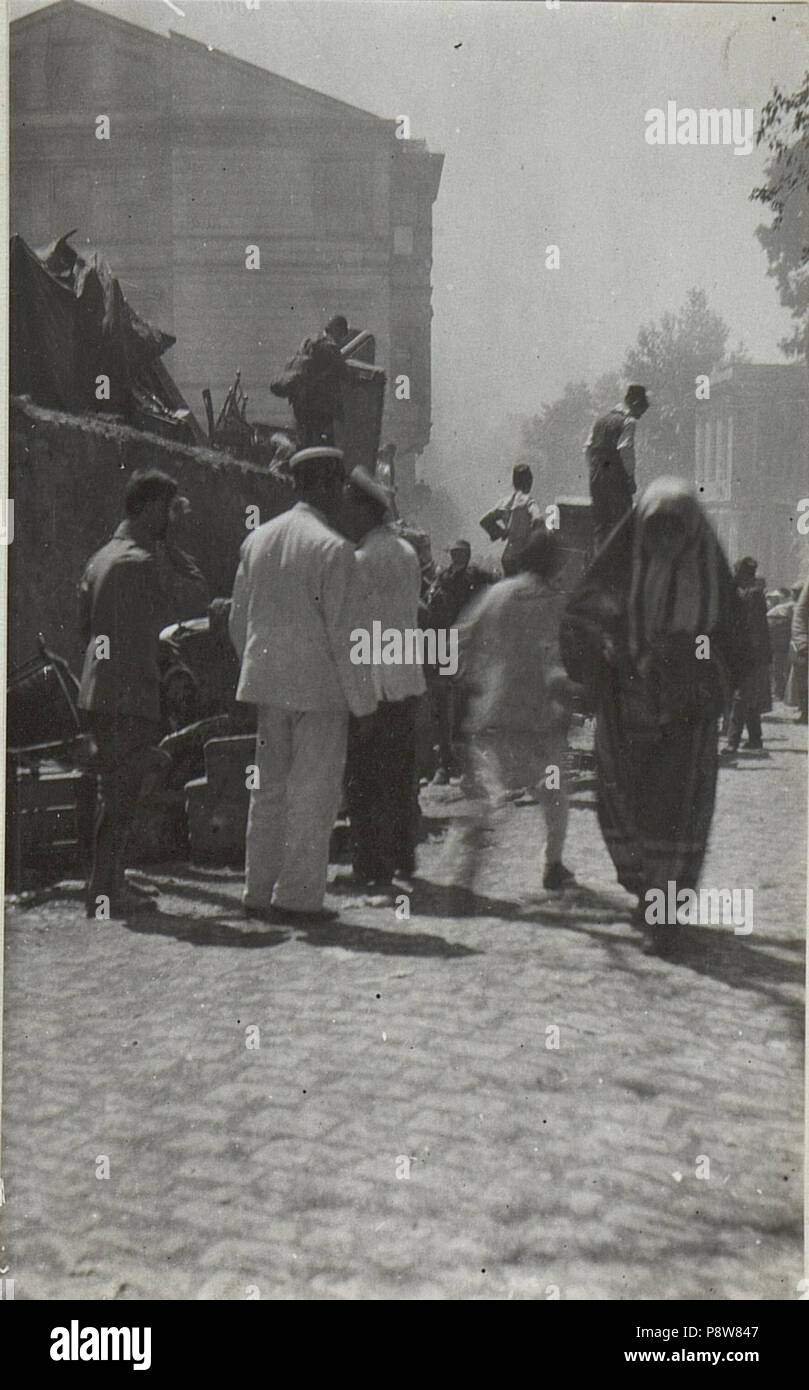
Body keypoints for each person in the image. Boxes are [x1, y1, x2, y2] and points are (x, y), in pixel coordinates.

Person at [560, 477, 750, 924]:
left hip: (685, 717)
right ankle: (645, 888)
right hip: (626, 710)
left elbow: (732, 645)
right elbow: (583, 617)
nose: (666, 539)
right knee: (626, 800)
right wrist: (611, 650)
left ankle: (663, 904)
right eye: (656, 528)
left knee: (677, 806)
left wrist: (692, 662)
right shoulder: (619, 568)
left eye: (675, 528)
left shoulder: (712, 582)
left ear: (691, 529)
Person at [228, 445, 376, 924]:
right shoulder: (333, 550)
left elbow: (237, 621)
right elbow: (346, 636)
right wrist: (363, 703)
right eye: (334, 485)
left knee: (267, 791)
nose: (338, 495)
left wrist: (259, 669)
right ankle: (297, 897)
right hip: (319, 693)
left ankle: (256, 891)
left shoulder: (259, 540)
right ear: (326, 486)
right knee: (312, 794)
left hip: (268, 688)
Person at [78, 468, 206, 917]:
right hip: (128, 693)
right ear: (151, 507)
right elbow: (191, 598)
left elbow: (90, 629)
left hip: (102, 689)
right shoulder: (140, 561)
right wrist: (173, 542)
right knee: (123, 794)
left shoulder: (101, 557)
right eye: (169, 508)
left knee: (114, 792)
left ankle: (107, 883)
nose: (173, 516)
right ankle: (107, 891)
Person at [452, 526, 575, 894]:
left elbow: (461, 637)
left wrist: (465, 678)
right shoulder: (554, 600)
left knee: (488, 798)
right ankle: (552, 864)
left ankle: (463, 874)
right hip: (540, 718)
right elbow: (560, 655)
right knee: (555, 797)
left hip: (495, 713)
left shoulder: (497, 593)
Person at [341, 467, 426, 885]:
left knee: (364, 778)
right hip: (406, 680)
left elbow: (355, 626)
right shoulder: (407, 554)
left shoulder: (359, 560)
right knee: (399, 776)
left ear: (365, 511)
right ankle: (403, 855)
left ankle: (371, 865)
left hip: (373, 683)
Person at [423, 539, 495, 782]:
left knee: (464, 705)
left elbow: (494, 587)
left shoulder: (476, 576)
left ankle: (465, 766)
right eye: (454, 553)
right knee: (443, 704)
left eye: (460, 553)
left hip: (467, 645)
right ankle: (446, 763)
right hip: (447, 644)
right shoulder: (443, 578)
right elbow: (433, 606)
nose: (456, 558)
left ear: (467, 554)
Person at [585, 384, 649, 550]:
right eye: (641, 409)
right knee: (622, 526)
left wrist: (594, 470)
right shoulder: (629, 421)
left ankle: (599, 566)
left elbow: (588, 448)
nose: (641, 415)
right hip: (616, 477)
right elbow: (625, 449)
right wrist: (630, 477)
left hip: (596, 476)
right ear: (635, 403)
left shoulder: (600, 420)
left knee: (600, 525)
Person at [271, 314, 352, 447]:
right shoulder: (329, 346)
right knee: (326, 440)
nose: (341, 339)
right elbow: (344, 372)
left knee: (303, 438)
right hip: (315, 404)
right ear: (337, 330)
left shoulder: (308, 340)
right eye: (342, 335)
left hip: (298, 398)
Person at [724, 557, 771, 753]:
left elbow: (752, 630)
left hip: (750, 655)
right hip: (755, 654)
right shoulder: (754, 594)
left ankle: (732, 742)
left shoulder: (751, 596)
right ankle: (755, 739)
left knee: (741, 697)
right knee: (749, 697)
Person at [479, 464, 543, 575]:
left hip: (508, 554)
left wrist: (502, 532)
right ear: (530, 481)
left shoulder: (504, 502)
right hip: (525, 555)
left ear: (514, 483)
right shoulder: (528, 501)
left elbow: (484, 521)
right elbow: (538, 519)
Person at [766, 587, 795, 702]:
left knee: (780, 668)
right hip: (782, 643)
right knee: (781, 668)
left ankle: (780, 692)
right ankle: (781, 692)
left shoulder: (782, 608)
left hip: (780, 643)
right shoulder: (782, 608)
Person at [790, 575, 809, 724]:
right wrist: (802, 643)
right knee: (803, 682)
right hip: (805, 646)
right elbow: (800, 617)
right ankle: (805, 712)